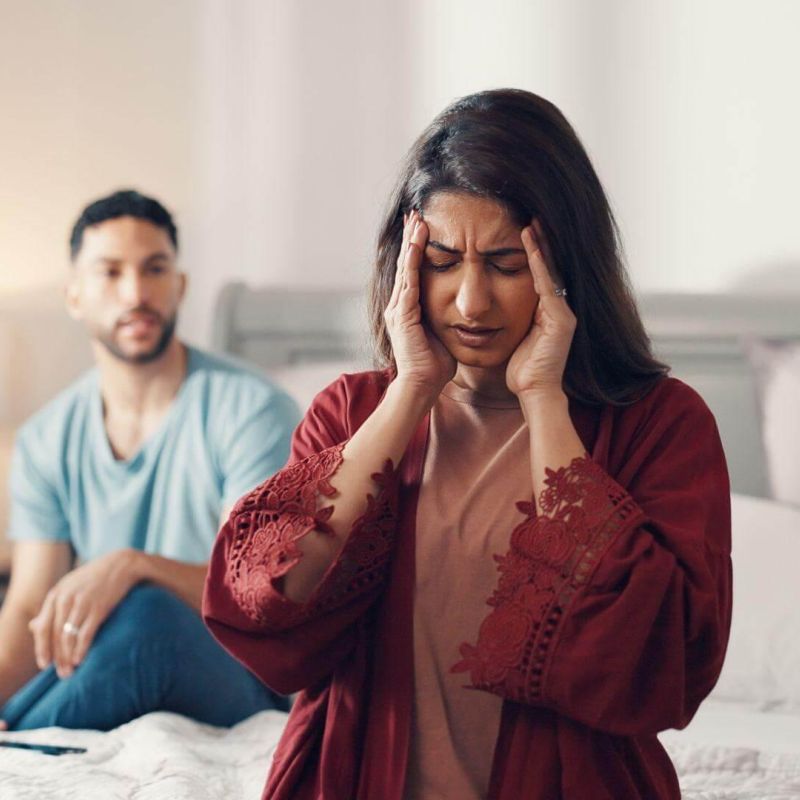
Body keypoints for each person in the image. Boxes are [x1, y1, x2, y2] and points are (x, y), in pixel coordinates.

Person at [203, 90, 732, 799]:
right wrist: (410, 392)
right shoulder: (353, 413)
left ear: (566, 266)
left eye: (508, 265)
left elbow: (660, 658)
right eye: (444, 261)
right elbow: (267, 603)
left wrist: (544, 399)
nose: (470, 302)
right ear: (406, 266)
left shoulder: (661, 425)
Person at [0, 190, 300, 731]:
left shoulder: (252, 410)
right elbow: (28, 609)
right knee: (106, 629)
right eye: (110, 273)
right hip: (108, 669)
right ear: (75, 296)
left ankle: (22, 740)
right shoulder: (46, 438)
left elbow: (258, 591)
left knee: (146, 614)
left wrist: (133, 567)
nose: (136, 292)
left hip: (237, 679)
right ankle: (19, 738)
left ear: (179, 286)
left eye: (154, 269)